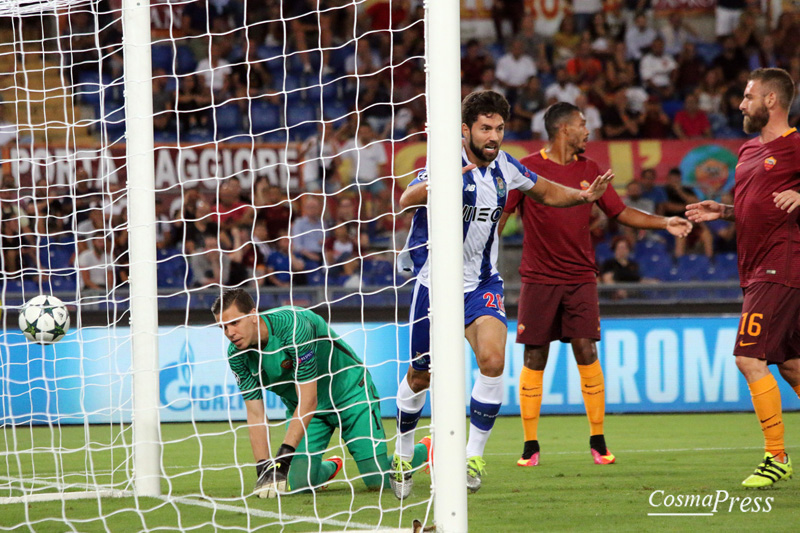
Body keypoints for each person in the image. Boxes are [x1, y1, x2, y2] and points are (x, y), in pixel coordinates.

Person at [393, 90, 615, 498]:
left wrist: (582, 197)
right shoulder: (444, 164)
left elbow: (545, 191)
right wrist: (439, 183)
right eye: (485, 128)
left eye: (498, 128)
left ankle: (471, 456)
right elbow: (406, 200)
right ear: (466, 130)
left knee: (494, 361)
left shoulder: (505, 167)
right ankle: (403, 453)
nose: (493, 136)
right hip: (433, 285)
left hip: (481, 284)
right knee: (421, 375)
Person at [496, 101, 692, 468]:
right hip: (538, 278)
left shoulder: (591, 170)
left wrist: (666, 222)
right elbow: (502, 216)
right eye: (583, 124)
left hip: (581, 277)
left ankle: (599, 440)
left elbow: (621, 213)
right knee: (535, 354)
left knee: (586, 349)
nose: (589, 130)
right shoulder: (528, 171)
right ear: (563, 129)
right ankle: (529, 444)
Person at [686, 67, 800, 488]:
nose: (740, 103)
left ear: (771, 101)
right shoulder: (748, 151)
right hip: (755, 270)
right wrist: (724, 211)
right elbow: (758, 208)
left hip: (782, 265)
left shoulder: (795, 146)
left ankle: (776, 458)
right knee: (789, 365)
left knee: (748, 357)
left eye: (748, 96)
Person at [212, 288, 431, 498]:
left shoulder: (292, 326)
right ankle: (332, 467)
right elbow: (256, 415)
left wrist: (283, 458)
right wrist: (264, 470)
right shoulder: (237, 355)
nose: (230, 333)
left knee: (377, 480)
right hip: (307, 412)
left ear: (252, 315)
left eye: (234, 323)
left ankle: (425, 449)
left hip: (350, 394)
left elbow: (309, 399)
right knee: (299, 486)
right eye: (222, 327)